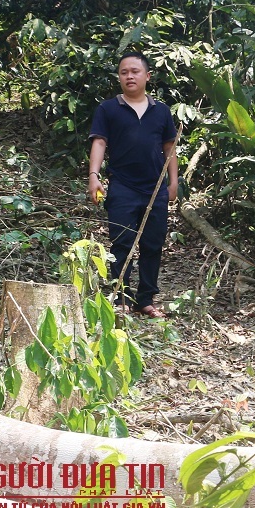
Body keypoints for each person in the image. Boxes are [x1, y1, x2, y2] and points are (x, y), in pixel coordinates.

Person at [87, 51, 179, 318]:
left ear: (147, 76)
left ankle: (146, 298)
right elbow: (100, 142)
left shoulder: (160, 110)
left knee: (152, 243)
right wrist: (94, 176)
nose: (129, 76)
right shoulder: (108, 109)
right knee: (121, 243)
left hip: (155, 189)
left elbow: (169, 147)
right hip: (122, 186)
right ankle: (121, 298)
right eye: (124, 72)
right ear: (119, 77)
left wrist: (173, 182)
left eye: (135, 71)